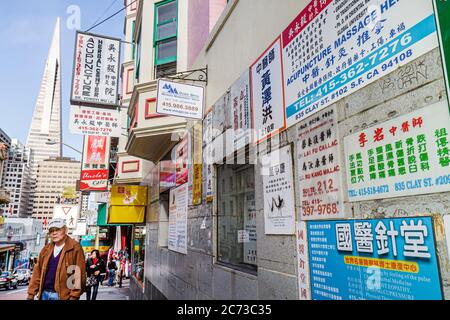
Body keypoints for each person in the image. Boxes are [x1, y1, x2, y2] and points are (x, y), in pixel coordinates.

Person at [27, 218, 86, 300]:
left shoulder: (74, 248)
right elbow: (37, 272)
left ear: (65, 230)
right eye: (51, 231)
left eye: (57, 230)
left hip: (63, 296)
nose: (54, 233)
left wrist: (74, 296)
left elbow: (78, 274)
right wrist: (31, 294)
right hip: (44, 293)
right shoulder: (46, 249)